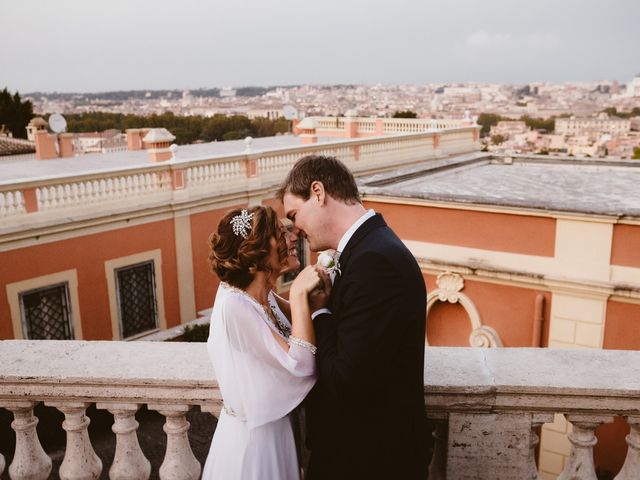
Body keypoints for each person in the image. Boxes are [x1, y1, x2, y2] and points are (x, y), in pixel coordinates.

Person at [279, 155, 428, 480]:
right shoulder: (371, 249)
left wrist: (319, 310)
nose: (295, 229)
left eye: (294, 215)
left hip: (370, 459)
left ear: (318, 192)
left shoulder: (375, 261)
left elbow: (349, 379)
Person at [202, 205, 329, 480]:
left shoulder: (261, 295)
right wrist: (297, 294)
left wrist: (314, 302)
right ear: (256, 250)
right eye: (280, 232)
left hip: (275, 431)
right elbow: (302, 365)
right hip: (254, 444)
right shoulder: (235, 305)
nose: (293, 236)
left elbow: (304, 318)